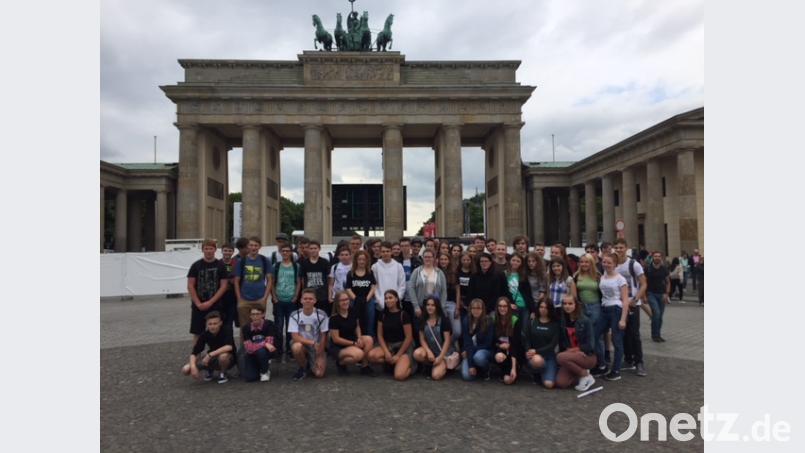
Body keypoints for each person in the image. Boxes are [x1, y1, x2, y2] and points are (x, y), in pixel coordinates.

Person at [593, 253, 630, 380]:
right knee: (594, 335)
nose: (606, 264)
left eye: (609, 263)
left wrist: (623, 319)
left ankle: (616, 370)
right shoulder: (602, 276)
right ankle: (602, 364)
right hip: (604, 309)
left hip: (616, 309)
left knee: (616, 340)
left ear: (615, 264)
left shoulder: (620, 279)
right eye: (604, 262)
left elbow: (625, 300)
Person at [613, 238, 648, 377]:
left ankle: (639, 362)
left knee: (634, 334)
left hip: (633, 303)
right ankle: (628, 359)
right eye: (617, 247)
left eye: (621, 247)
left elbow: (643, 283)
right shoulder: (614, 264)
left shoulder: (634, 264)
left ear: (626, 248)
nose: (619, 250)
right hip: (619, 303)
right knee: (623, 333)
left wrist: (636, 298)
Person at [186, 239, 229, 343]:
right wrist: (198, 303)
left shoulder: (221, 265)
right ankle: (196, 352)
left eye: (211, 248)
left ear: (215, 250)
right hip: (199, 305)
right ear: (202, 250)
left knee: (217, 330)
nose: (208, 251)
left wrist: (211, 302)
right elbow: (190, 285)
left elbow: (224, 286)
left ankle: (216, 351)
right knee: (197, 332)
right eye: (206, 248)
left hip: (216, 304)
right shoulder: (196, 265)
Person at [367, 290, 414, 381]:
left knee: (399, 376)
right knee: (372, 356)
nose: (388, 300)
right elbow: (380, 335)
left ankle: (410, 368)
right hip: (389, 346)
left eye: (390, 298)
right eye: (386, 298)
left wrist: (398, 355)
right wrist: (386, 352)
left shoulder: (403, 315)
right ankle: (391, 363)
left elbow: (409, 337)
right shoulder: (382, 314)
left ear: (396, 299)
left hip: (403, 347)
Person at [181, 311, 235, 384]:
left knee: (223, 357)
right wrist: (193, 367)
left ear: (220, 323)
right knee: (186, 370)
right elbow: (194, 352)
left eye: (215, 323)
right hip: (212, 358)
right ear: (207, 324)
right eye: (210, 324)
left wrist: (209, 355)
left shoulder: (227, 330)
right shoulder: (204, 334)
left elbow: (229, 347)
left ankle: (223, 373)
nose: (212, 326)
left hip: (228, 358)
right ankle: (209, 370)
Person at [557, 295, 597, 391]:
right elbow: (562, 342)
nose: (567, 306)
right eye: (565, 304)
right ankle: (581, 374)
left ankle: (585, 375)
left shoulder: (585, 321)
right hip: (569, 356)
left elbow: (590, 345)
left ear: (576, 305)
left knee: (560, 357)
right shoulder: (562, 320)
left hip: (586, 355)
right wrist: (570, 352)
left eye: (570, 303)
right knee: (561, 383)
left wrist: (576, 350)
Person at [329, 291, 374, 376]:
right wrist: (353, 343)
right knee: (359, 354)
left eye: (347, 299)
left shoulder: (352, 311)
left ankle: (364, 366)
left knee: (369, 339)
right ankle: (341, 363)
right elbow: (336, 339)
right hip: (339, 346)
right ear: (337, 302)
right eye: (342, 300)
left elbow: (357, 326)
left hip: (352, 339)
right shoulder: (334, 318)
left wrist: (359, 338)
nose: (345, 302)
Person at [288, 288, 329, 381]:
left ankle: (311, 362)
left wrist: (319, 355)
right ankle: (303, 367)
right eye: (305, 298)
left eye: (310, 299)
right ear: (301, 300)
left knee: (319, 374)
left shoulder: (322, 315)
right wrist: (312, 343)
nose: (307, 301)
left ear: (315, 301)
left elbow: (323, 336)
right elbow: (295, 337)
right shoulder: (294, 315)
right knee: (296, 347)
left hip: (317, 346)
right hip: (303, 343)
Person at [413, 296, 456, 380]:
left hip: (443, 351)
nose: (430, 307)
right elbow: (422, 339)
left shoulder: (444, 320)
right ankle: (429, 365)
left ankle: (444, 366)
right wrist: (428, 351)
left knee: (436, 376)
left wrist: (440, 357)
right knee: (417, 354)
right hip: (430, 349)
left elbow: (447, 341)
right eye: (428, 305)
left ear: (437, 307)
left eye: (433, 305)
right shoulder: (422, 319)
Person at [234, 236, 273, 327]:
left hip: (260, 299)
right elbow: (236, 281)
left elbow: (269, 280)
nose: (253, 247)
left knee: (259, 326)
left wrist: (265, 298)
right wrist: (239, 299)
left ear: (260, 247)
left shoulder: (265, 260)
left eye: (256, 245)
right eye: (251, 245)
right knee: (244, 327)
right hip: (244, 299)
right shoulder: (241, 261)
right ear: (248, 246)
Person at [270, 243, 300, 361]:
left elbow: (298, 282)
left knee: (290, 327)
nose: (285, 253)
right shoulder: (276, 266)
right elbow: (272, 282)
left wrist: (296, 296)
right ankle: (278, 350)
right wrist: (274, 297)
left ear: (291, 252)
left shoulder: (296, 266)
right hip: (279, 299)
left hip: (291, 299)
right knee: (278, 326)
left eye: (288, 251)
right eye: (283, 251)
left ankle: (289, 349)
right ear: (280, 252)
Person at [522, 299, 559, 388]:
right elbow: (527, 338)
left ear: (550, 309)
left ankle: (546, 372)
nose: (543, 309)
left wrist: (537, 351)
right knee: (537, 361)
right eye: (541, 307)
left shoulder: (555, 324)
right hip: (534, 356)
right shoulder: (532, 321)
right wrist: (528, 351)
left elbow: (552, 345)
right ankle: (537, 373)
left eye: (546, 308)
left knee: (549, 384)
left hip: (549, 356)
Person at [460, 298, 495, 381]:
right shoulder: (466, 320)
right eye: (473, 308)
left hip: (485, 350)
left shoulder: (489, 321)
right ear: (470, 309)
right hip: (470, 350)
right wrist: (471, 365)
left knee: (478, 357)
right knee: (467, 376)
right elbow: (467, 342)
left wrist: (470, 351)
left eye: (478, 308)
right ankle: (476, 368)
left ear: (483, 309)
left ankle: (486, 369)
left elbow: (488, 344)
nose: (476, 311)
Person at [346, 249, 377, 338]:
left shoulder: (370, 273)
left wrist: (367, 298)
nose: (361, 261)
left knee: (370, 319)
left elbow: (373, 286)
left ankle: (370, 337)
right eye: (359, 259)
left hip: (368, 300)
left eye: (363, 259)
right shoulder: (350, 273)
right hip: (354, 301)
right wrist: (355, 299)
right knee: (355, 319)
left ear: (367, 261)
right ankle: (356, 337)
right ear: (356, 260)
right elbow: (348, 288)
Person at [240, 306, 276, 382]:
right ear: (250, 316)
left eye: (258, 314)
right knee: (250, 378)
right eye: (253, 314)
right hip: (252, 353)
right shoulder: (246, 328)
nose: (255, 316)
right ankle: (259, 366)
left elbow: (270, 344)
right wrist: (264, 344)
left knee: (261, 351)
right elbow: (249, 348)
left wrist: (264, 345)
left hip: (267, 352)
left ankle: (265, 371)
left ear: (263, 315)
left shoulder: (269, 324)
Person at [372, 241, 407, 316]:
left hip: (396, 306)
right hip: (380, 305)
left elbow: (402, 286)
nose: (385, 253)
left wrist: (395, 300)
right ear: (380, 253)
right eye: (383, 251)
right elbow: (374, 286)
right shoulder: (375, 267)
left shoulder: (398, 266)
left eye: (387, 251)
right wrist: (381, 301)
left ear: (391, 252)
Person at [492, 297, 522, 385]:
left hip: (514, 353)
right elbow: (492, 341)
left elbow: (515, 344)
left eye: (505, 306)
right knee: (499, 356)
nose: (502, 308)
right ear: (497, 307)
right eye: (500, 306)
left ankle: (515, 368)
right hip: (500, 350)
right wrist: (499, 345)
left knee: (508, 380)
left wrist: (513, 368)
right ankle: (504, 371)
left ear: (509, 307)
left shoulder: (515, 320)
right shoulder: (493, 320)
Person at [298, 240, 331, 313]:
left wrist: (329, 295)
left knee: (323, 316)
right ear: (308, 250)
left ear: (319, 249)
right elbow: (302, 280)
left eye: (315, 248)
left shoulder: (325, 262)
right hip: (309, 297)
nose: (313, 250)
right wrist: (304, 293)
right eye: (311, 248)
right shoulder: (304, 263)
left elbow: (329, 280)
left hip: (323, 296)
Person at [573, 253, 602, 336]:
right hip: (581, 306)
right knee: (583, 331)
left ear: (591, 263)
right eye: (582, 262)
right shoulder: (576, 275)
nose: (584, 264)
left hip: (595, 306)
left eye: (586, 262)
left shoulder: (597, 276)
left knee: (596, 331)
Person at [645, 251, 671, 342]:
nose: (657, 258)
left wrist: (667, 294)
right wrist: (644, 295)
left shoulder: (664, 269)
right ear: (652, 257)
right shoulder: (648, 269)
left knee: (660, 316)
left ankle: (658, 335)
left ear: (661, 258)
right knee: (656, 313)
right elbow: (643, 282)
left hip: (662, 294)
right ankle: (654, 335)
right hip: (651, 293)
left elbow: (668, 282)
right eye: (655, 256)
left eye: (659, 256)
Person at [437, 252, 462, 342]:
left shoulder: (454, 273)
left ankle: (448, 345)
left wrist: (457, 307)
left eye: (445, 259)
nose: (443, 261)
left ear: (449, 261)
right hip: (438, 304)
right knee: (440, 330)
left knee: (457, 331)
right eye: (441, 259)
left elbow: (458, 291)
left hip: (451, 304)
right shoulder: (435, 272)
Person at [505, 253, 535, 322]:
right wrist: (509, 303)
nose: (515, 262)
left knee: (524, 327)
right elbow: (502, 291)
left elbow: (528, 294)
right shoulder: (504, 274)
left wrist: (533, 310)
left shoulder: (524, 276)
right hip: (509, 306)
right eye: (513, 260)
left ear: (521, 263)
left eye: (518, 261)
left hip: (523, 306)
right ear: (509, 261)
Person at [220, 243, 238, 331]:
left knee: (231, 321)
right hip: (220, 296)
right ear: (221, 251)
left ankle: (230, 339)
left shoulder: (236, 263)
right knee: (222, 320)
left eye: (230, 251)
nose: (227, 252)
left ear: (233, 252)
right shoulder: (218, 263)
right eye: (225, 250)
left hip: (233, 296)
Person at [455, 252, 477, 322]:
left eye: (468, 260)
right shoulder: (457, 272)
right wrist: (459, 304)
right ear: (460, 260)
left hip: (471, 301)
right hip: (460, 301)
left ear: (471, 260)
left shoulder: (474, 273)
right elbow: (457, 289)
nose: (466, 262)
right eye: (464, 260)